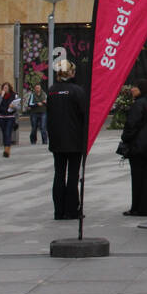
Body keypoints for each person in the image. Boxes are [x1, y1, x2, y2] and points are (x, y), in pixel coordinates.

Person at [46, 60, 87, 220]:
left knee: (59, 174)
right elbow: (84, 115)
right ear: (71, 73)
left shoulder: (51, 91)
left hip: (57, 140)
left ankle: (58, 211)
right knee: (73, 176)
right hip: (75, 140)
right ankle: (72, 210)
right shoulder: (77, 91)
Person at [118, 78, 147, 217]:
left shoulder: (138, 104)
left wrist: (125, 138)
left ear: (142, 89)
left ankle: (137, 207)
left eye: (136, 87)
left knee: (137, 177)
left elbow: (131, 125)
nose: (132, 89)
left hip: (138, 145)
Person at [0, 82, 20, 158]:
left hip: (10, 117)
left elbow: (18, 107)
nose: (5, 89)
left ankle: (7, 151)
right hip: (1, 117)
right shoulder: (0, 95)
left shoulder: (14, 95)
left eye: (6, 88)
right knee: (4, 133)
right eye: (4, 88)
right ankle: (6, 148)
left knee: (8, 132)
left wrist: (13, 106)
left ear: (9, 88)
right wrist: (1, 96)